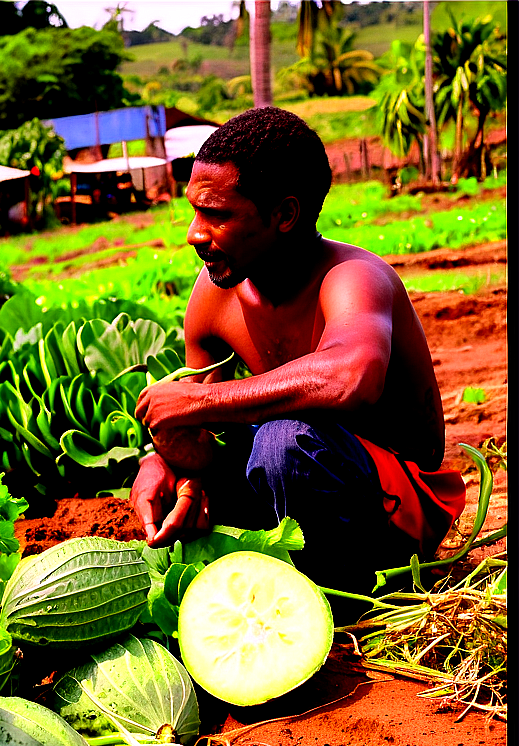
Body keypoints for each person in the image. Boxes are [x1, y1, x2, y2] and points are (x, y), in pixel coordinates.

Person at [130, 107, 466, 596]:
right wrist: (164, 465)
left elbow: (353, 376)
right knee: (254, 452)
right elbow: (201, 438)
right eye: (194, 211)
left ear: (284, 215)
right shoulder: (213, 295)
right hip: (296, 483)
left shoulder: (352, 277)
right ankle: (291, 582)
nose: (194, 234)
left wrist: (195, 403)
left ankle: (337, 601)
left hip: (395, 508)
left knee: (284, 442)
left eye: (218, 215)